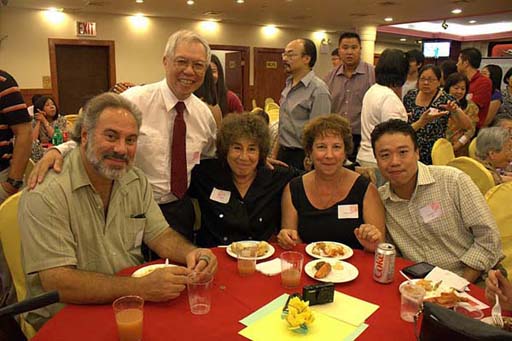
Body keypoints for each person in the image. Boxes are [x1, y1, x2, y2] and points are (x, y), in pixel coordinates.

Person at [19, 92, 217, 330]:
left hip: (130, 305)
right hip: (67, 316)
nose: (121, 149)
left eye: (131, 140)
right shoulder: (46, 193)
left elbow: (159, 234)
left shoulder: (134, 180)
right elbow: (57, 282)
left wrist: (192, 253)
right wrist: (141, 288)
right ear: (84, 136)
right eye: (111, 136)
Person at [28, 30, 217, 242]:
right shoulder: (134, 100)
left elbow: (210, 159)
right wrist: (57, 150)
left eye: (198, 65)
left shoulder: (204, 116)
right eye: (182, 61)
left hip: (178, 210)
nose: (189, 71)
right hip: (127, 206)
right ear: (166, 62)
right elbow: (96, 137)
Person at [372, 119, 502, 283]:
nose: (395, 162)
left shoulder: (452, 181)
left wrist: (457, 286)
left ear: (417, 153)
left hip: (474, 278)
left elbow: (489, 239)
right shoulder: (382, 199)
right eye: (385, 155)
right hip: (418, 284)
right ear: (376, 160)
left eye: (403, 152)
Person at [189, 113, 301, 247]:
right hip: (213, 258)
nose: (244, 157)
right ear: (226, 149)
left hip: (261, 259)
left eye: (252, 149)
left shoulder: (275, 176)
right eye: (237, 148)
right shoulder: (206, 174)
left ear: (262, 152)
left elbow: (312, 179)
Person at [277, 114, 385, 252]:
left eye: (336, 147)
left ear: (346, 152)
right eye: (321, 147)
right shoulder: (294, 189)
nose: (329, 155)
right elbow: (292, 245)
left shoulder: (365, 190)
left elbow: (380, 246)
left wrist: (372, 241)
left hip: (353, 270)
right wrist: (287, 238)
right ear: (310, 152)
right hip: (310, 269)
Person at [0, 70, 32, 312]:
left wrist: (12, 182)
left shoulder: (3, 82)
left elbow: (24, 132)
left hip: (1, 178)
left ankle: (10, 316)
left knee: (5, 261)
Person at [273, 38, 331, 170]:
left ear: (306, 59)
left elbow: (319, 132)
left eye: (291, 55)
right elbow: (283, 126)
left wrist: (311, 160)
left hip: (303, 156)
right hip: (283, 153)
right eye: (284, 54)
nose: (285, 59)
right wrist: (275, 154)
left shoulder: (318, 90)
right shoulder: (288, 84)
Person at [356, 49, 409, 185]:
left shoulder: (373, 90)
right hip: (381, 161)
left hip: (365, 156)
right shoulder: (389, 98)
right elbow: (394, 137)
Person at [404, 64, 472, 165]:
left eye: (431, 80)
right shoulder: (410, 95)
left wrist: (455, 110)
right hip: (411, 148)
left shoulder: (446, 99)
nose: (426, 83)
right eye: (423, 79)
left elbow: (467, 126)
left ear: (439, 81)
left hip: (434, 151)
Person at [324, 32, 375, 162]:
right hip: (336, 136)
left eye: (354, 47)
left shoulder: (373, 74)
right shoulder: (330, 77)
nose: (349, 52)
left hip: (363, 137)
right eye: (345, 48)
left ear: (360, 50)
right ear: (339, 50)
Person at [444, 72, 479, 156]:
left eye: (463, 89)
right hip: (440, 146)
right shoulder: (440, 103)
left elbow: (471, 130)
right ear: (448, 88)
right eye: (456, 88)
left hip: (461, 149)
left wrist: (458, 145)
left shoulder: (471, 107)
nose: (459, 91)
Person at [457, 48, 492, 129]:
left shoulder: (484, 82)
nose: (457, 64)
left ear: (466, 63)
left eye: (458, 61)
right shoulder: (460, 80)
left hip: (472, 128)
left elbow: (473, 108)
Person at [31, 96, 68, 161]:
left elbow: (56, 137)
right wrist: (39, 121)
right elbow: (33, 141)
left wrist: (44, 121)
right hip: (42, 152)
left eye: (53, 104)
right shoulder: (35, 122)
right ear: (40, 109)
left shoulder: (61, 119)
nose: (52, 107)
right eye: (47, 105)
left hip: (58, 150)